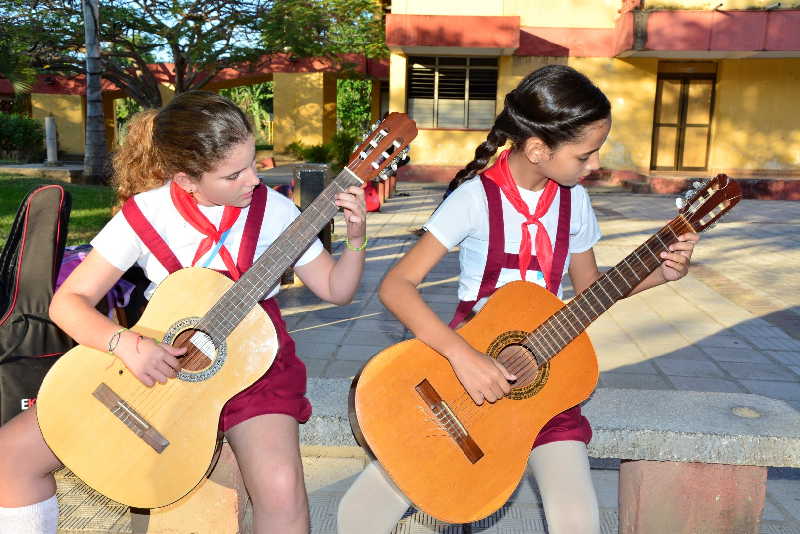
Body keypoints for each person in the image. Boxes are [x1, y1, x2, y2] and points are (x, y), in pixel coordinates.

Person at [337, 64, 699, 534]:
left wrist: (662, 274)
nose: (594, 166)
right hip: (462, 376)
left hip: (547, 381)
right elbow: (396, 286)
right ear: (537, 148)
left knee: (577, 517)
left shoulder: (576, 202)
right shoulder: (475, 199)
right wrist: (463, 356)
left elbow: (591, 290)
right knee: (364, 512)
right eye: (585, 155)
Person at [0, 91, 368, 534]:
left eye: (254, 161)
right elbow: (67, 302)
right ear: (187, 179)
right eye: (233, 174)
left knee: (282, 490)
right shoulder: (147, 214)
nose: (253, 180)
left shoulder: (276, 210)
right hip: (155, 359)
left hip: (254, 364)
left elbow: (337, 288)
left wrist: (356, 237)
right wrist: (128, 345)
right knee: (11, 457)